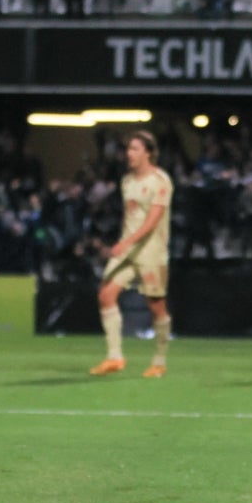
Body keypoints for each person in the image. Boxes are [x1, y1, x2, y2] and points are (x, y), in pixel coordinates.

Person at [90, 130, 174, 378]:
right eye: (128, 149)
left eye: (135, 149)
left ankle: (159, 361)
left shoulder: (160, 181)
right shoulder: (127, 180)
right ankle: (115, 357)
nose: (129, 153)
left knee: (155, 305)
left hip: (151, 252)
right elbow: (131, 217)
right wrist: (122, 243)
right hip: (127, 250)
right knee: (106, 294)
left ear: (148, 152)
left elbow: (153, 219)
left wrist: (127, 243)